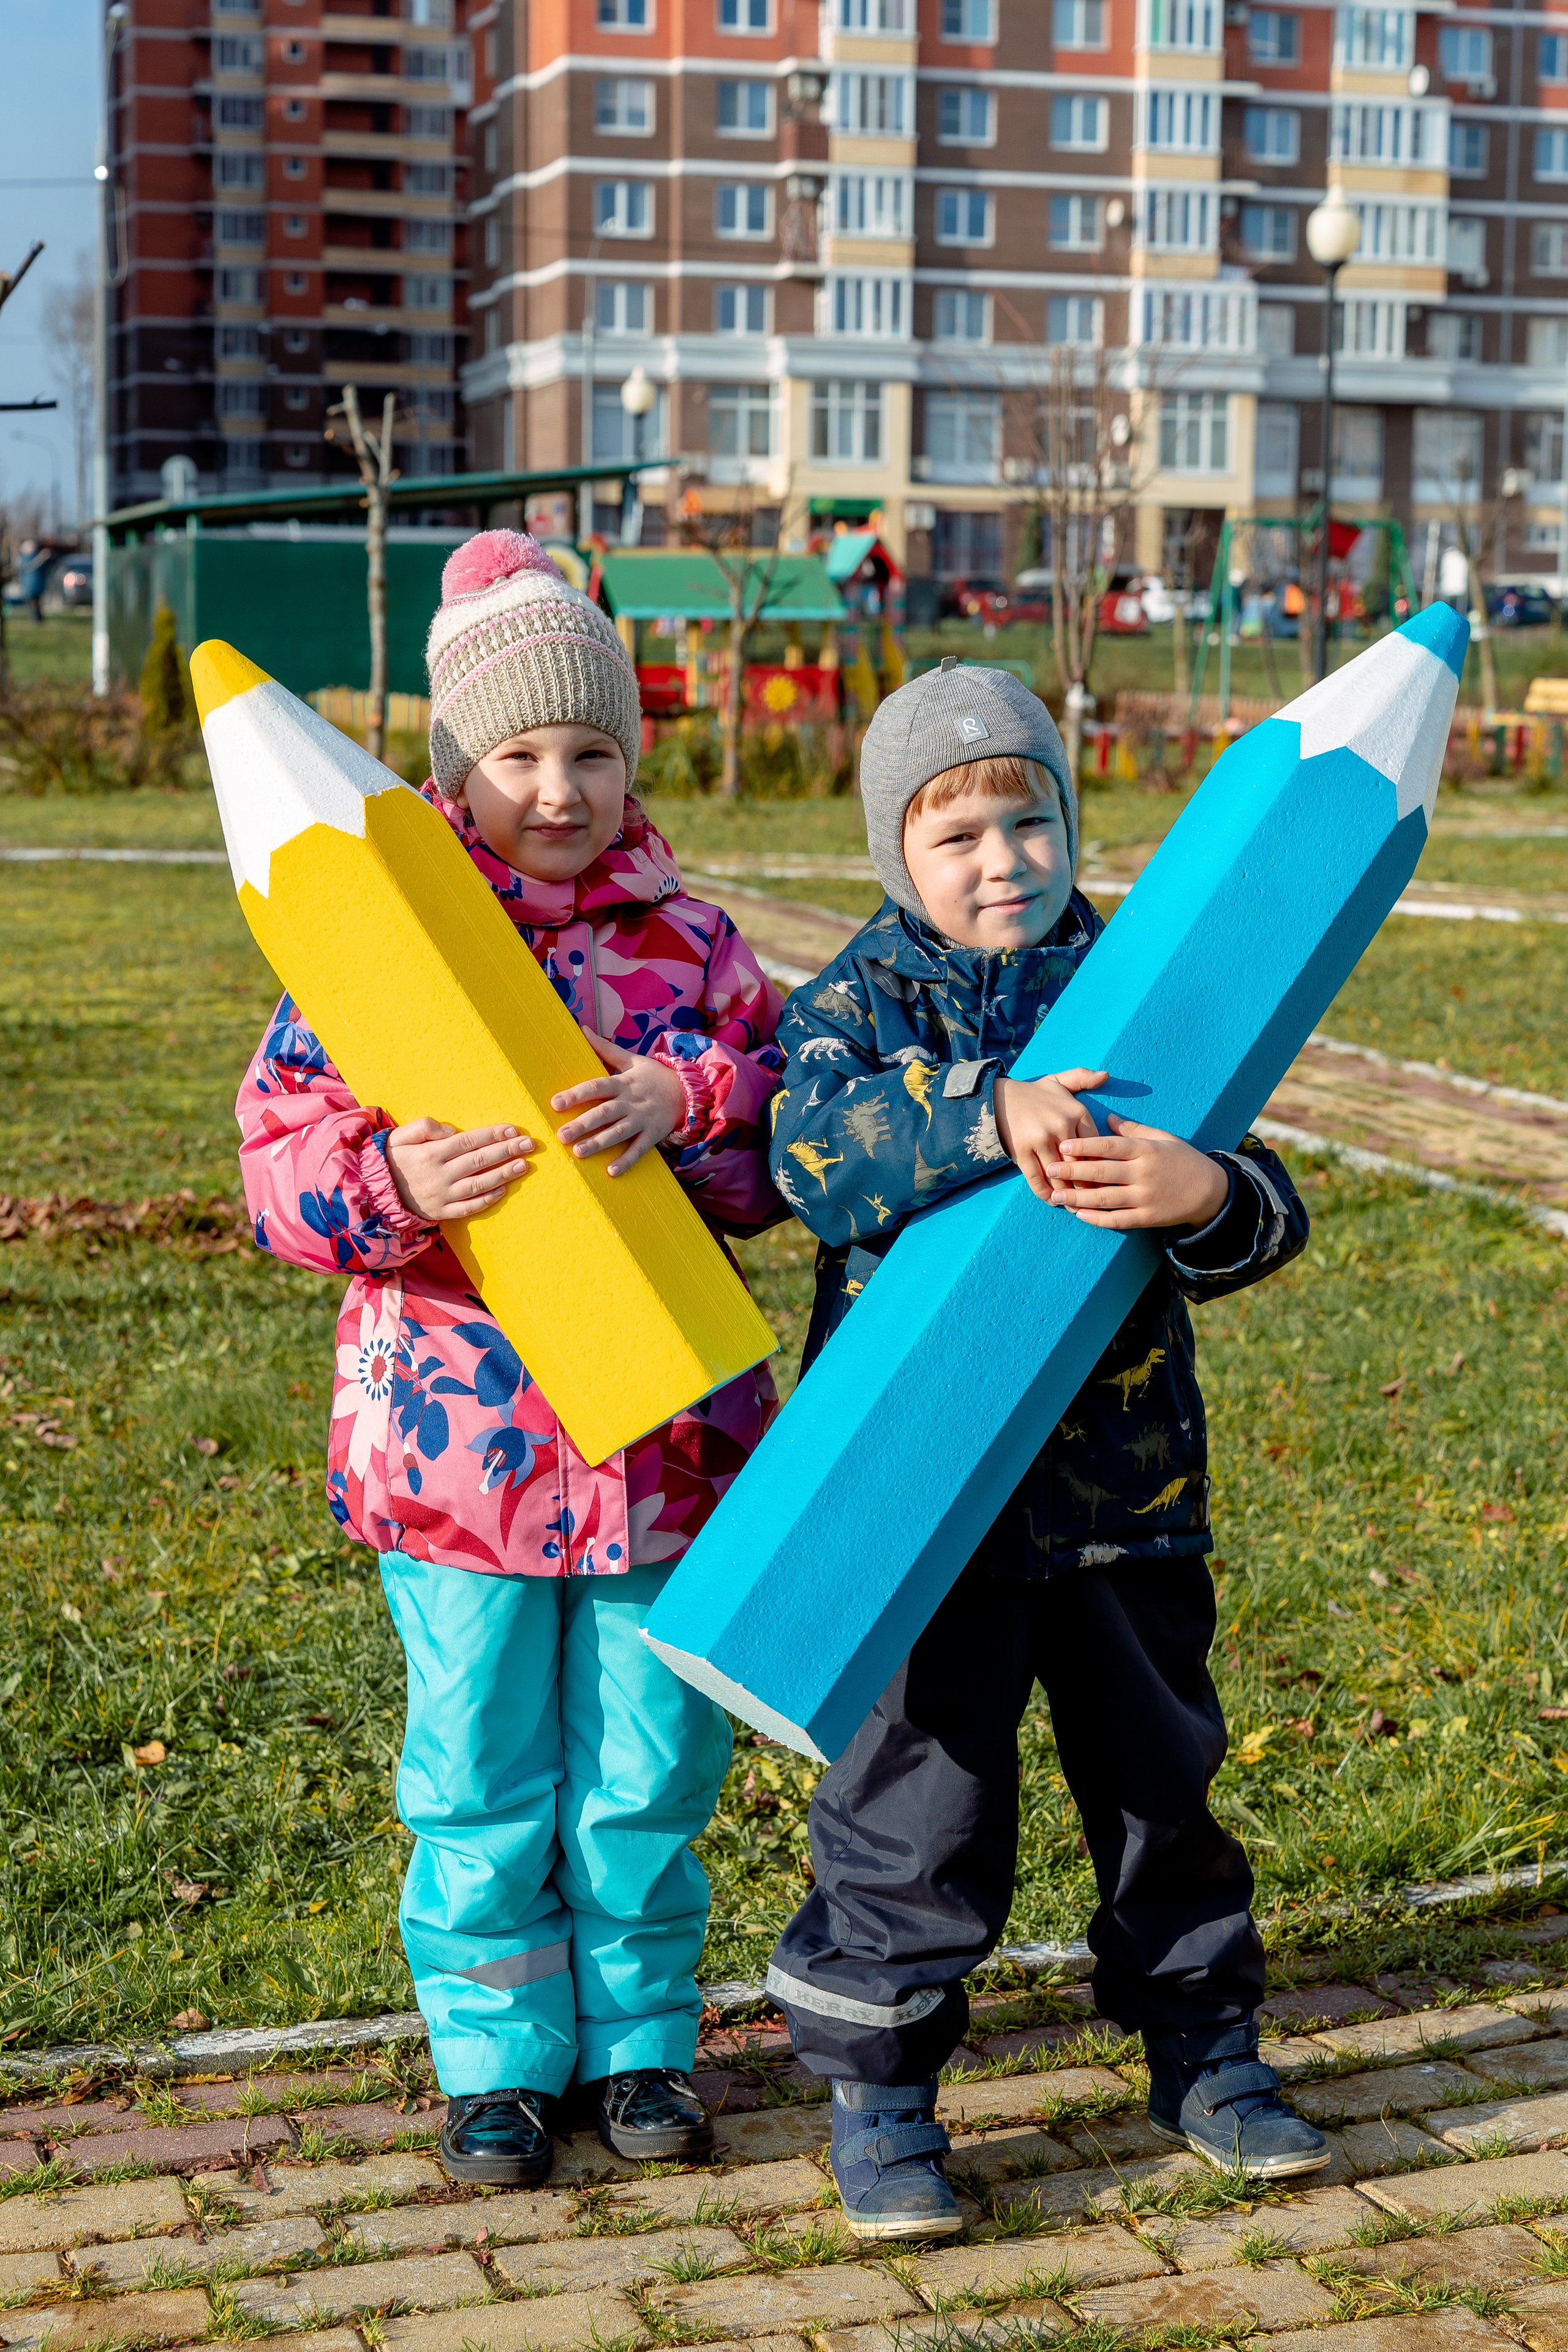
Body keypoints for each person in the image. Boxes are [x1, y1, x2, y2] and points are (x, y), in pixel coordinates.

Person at [235, 530, 785, 2188]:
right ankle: (495, 2060)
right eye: (521, 756)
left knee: (646, 1766)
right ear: (456, 770)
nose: (560, 790)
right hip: (457, 1457)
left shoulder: (700, 951)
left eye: (593, 752)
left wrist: (689, 1103)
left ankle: (642, 2045)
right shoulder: (371, 947)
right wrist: (389, 1180)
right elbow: (277, 1167)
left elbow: (782, 1152)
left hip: (668, 1455)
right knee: (476, 1767)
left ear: (634, 759)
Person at [764, 658, 1325, 2242]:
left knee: (1161, 1791)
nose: (1003, 860)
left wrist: (1207, 1196)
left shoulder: (1145, 986)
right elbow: (811, 1159)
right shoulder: (858, 1006)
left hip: (1127, 1506)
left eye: (1031, 821)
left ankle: (1206, 2051)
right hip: (923, 1517)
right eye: (957, 835)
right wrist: (982, 1112)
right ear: (896, 852)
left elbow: (1267, 1203)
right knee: (914, 1808)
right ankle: (884, 2096)